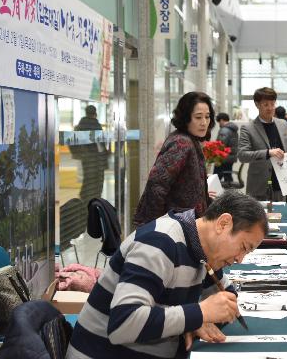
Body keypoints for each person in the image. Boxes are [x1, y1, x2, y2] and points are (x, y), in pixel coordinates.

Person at [67, 191, 268, 359]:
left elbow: (228, 302)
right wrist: (198, 314)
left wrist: (192, 322)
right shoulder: (159, 242)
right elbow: (123, 324)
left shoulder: (203, 252)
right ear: (223, 224)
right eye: (243, 247)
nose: (240, 260)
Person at [133, 92, 215, 227]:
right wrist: (153, 227)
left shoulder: (190, 140)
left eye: (207, 117)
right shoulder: (181, 143)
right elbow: (156, 185)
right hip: (175, 226)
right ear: (185, 118)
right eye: (198, 117)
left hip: (185, 223)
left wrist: (205, 198)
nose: (204, 122)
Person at [238, 87, 287, 201]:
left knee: (281, 218)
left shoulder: (283, 124)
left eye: (272, 104)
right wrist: (268, 153)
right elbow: (242, 155)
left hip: (282, 185)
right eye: (265, 104)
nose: (270, 108)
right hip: (259, 187)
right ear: (257, 104)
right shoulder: (248, 128)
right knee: (259, 218)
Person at [73, 105, 108, 204]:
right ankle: (95, 197)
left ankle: (84, 196)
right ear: (95, 113)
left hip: (85, 157)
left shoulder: (80, 125)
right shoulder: (96, 124)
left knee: (87, 176)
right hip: (96, 156)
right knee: (98, 178)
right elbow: (101, 142)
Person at [214, 113, 239, 182]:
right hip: (230, 158)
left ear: (222, 120)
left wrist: (216, 158)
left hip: (223, 158)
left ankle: (211, 192)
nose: (219, 124)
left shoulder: (224, 130)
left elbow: (220, 145)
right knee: (227, 177)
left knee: (215, 178)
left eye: (219, 122)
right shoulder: (233, 130)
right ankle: (230, 192)